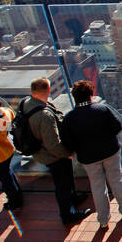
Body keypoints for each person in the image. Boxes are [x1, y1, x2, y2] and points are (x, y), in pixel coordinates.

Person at [18, 78, 92, 227]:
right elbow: (53, 144)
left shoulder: (26, 103)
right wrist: (67, 153)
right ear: (48, 91)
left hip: (42, 152)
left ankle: (73, 198)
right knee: (62, 185)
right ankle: (68, 214)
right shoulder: (44, 115)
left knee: (65, 179)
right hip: (53, 156)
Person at [60, 80, 122, 231]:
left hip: (88, 157)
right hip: (110, 151)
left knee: (97, 186)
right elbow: (117, 126)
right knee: (117, 180)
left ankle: (103, 219)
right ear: (90, 95)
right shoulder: (102, 109)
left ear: (74, 97)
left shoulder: (69, 118)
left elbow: (67, 142)